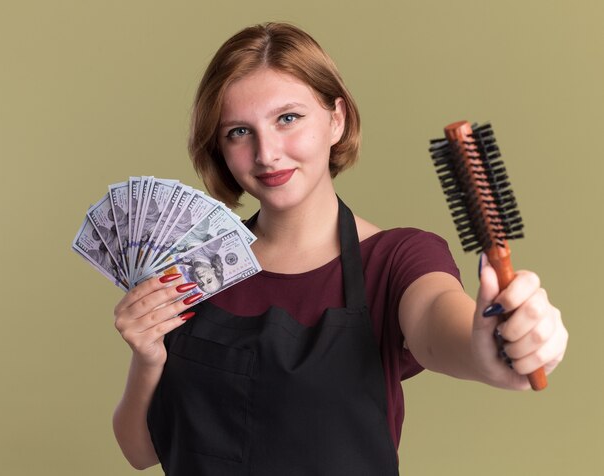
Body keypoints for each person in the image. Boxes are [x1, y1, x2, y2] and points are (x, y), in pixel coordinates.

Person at [111, 22, 568, 475]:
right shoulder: (198, 266)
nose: (266, 153)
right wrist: (147, 357)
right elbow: (140, 450)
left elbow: (440, 327)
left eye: (287, 118)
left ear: (336, 119)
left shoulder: (397, 259)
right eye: (238, 132)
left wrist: (494, 345)